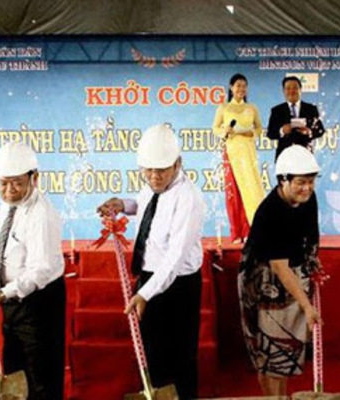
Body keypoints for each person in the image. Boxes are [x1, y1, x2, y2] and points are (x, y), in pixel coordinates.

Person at [97, 124, 205, 400]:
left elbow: (175, 257)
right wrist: (122, 205)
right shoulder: (152, 187)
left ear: (178, 164)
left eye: (162, 170)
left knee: (179, 358)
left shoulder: (188, 197)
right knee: (152, 353)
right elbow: (147, 207)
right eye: (148, 170)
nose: (154, 177)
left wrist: (144, 294)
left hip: (177, 286)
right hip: (149, 279)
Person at [0, 141, 66, 400]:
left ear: (34, 178)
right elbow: (6, 213)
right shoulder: (12, 200)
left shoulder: (41, 215)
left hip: (37, 303)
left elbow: (40, 270)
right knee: (15, 369)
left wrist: (2, 295)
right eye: (3, 183)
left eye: (17, 183)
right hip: (12, 299)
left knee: (40, 374)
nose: (9, 190)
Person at [238, 145, 323, 396]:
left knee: (288, 351)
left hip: (292, 271)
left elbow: (311, 234)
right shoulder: (270, 212)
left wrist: (312, 260)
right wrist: (307, 306)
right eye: (300, 182)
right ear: (283, 180)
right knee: (272, 352)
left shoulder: (309, 198)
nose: (307, 188)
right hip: (265, 281)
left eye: (311, 181)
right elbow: (279, 267)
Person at [212, 73, 265, 243]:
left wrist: (251, 132)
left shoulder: (252, 108)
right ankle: (236, 232)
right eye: (238, 85)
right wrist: (224, 131)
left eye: (244, 85)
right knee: (233, 192)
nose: (241, 89)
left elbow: (259, 129)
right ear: (231, 87)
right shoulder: (224, 108)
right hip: (231, 152)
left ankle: (251, 229)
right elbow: (215, 128)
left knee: (251, 189)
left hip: (248, 153)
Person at [267, 75, 325, 160]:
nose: (292, 91)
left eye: (295, 88)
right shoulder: (277, 110)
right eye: (288, 88)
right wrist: (282, 130)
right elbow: (270, 133)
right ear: (284, 91)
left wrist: (309, 132)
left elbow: (320, 130)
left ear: (300, 90)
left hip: (305, 154)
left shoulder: (311, 109)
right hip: (284, 156)